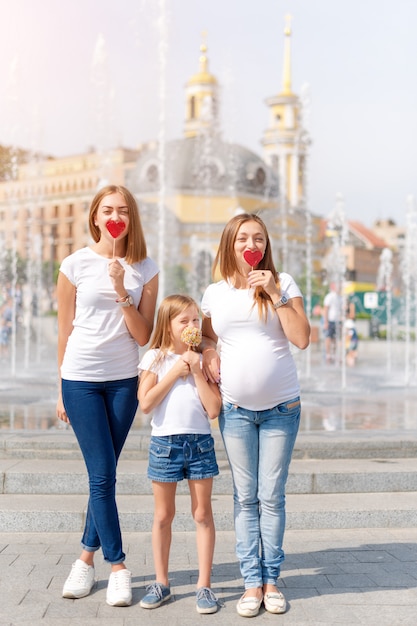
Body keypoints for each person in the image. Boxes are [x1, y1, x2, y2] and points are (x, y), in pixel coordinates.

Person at [200, 212, 310, 618]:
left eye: (259, 238)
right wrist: (209, 351)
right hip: (235, 410)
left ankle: (271, 580)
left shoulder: (285, 284)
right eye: (244, 238)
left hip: (283, 408)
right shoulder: (215, 292)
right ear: (230, 243)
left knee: (271, 496)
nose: (252, 245)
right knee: (245, 498)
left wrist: (277, 293)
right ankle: (251, 582)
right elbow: (206, 334)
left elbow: (301, 338)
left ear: (267, 245)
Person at [56, 184, 159, 606]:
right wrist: (60, 387)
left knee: (105, 476)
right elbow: (63, 329)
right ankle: (118, 566)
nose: (115, 217)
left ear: (131, 218)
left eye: (123, 211)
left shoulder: (145, 269)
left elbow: (145, 335)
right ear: (95, 217)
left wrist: (121, 290)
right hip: (79, 378)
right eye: (107, 210)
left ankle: (84, 559)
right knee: (101, 475)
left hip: (123, 383)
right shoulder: (73, 264)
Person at [138, 294, 221, 615]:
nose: (192, 326)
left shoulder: (204, 360)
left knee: (202, 514)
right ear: (168, 325)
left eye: (196, 320)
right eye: (183, 321)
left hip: (200, 444)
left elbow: (213, 410)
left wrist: (197, 370)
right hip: (164, 444)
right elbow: (145, 404)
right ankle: (161, 581)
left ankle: (204, 584)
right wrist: (174, 372)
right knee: (163, 515)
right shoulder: (155, 359)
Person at [323, 283, 342, 363]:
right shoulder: (330, 296)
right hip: (330, 320)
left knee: (335, 338)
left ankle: (334, 354)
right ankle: (328, 355)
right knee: (328, 338)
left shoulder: (340, 298)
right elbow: (326, 309)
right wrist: (326, 321)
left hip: (337, 321)